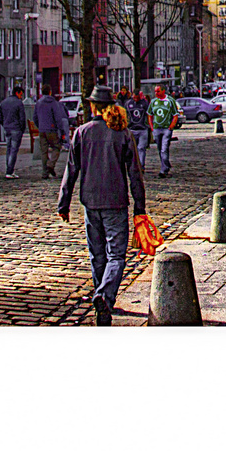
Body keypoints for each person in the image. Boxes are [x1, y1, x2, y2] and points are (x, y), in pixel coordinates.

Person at [57, 85, 147, 326]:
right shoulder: (122, 133)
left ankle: (102, 302)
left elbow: (71, 169)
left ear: (93, 106)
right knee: (116, 255)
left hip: (90, 201)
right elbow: (135, 174)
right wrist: (140, 206)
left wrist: (63, 203)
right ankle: (105, 297)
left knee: (97, 255)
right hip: (115, 201)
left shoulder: (82, 132)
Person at [34, 87, 71, 178]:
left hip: (42, 130)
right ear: (50, 92)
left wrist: (40, 126)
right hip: (52, 129)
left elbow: (35, 117)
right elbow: (58, 118)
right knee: (57, 147)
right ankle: (50, 165)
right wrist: (61, 130)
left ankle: (45, 173)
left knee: (44, 151)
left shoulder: (38, 103)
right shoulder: (53, 103)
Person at [147, 84, 181, 178]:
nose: (156, 93)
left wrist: (171, 127)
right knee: (160, 149)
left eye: (158, 91)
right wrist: (152, 127)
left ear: (163, 91)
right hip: (157, 128)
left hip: (166, 128)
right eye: (155, 91)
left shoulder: (170, 101)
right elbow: (150, 114)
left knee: (164, 148)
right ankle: (165, 165)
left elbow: (175, 115)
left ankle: (163, 169)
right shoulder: (154, 102)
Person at [0, 85, 29, 178]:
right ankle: (10, 170)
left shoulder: (4, 102)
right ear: (17, 93)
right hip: (16, 129)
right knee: (13, 150)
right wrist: (22, 129)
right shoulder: (18, 103)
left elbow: (0, 118)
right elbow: (22, 118)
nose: (21, 96)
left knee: (8, 149)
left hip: (7, 128)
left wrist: (4, 125)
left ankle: (8, 168)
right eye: (21, 94)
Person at [123, 89, 151, 165]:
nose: (136, 99)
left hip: (143, 129)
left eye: (137, 97)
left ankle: (141, 165)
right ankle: (132, 165)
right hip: (132, 129)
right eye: (135, 97)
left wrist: (149, 125)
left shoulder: (144, 103)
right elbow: (125, 115)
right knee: (131, 149)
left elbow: (149, 114)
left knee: (141, 148)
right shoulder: (128, 103)